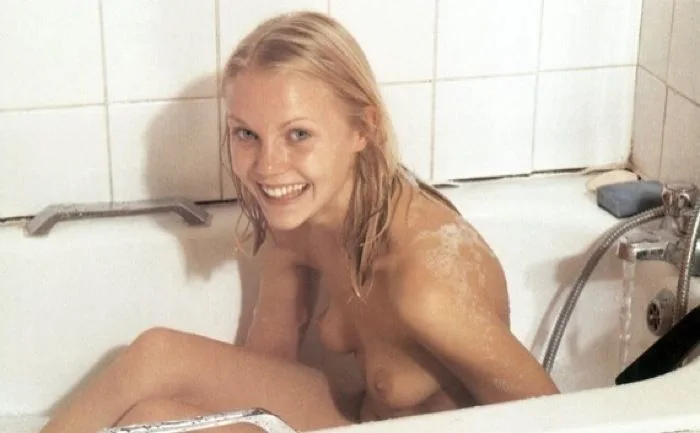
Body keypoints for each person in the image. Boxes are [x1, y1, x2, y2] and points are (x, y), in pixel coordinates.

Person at [39, 11, 559, 433]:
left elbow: (560, 420)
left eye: (298, 135)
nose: (268, 168)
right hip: (358, 419)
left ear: (363, 129)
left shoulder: (428, 287)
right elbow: (266, 375)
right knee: (154, 383)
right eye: (246, 134)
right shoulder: (299, 224)